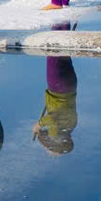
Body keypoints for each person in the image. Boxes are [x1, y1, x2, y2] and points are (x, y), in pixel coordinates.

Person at [32, 22, 78, 155]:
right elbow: (51, 119)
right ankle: (59, 20)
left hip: (69, 86)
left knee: (61, 53)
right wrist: (38, 125)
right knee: (53, 53)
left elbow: (53, 123)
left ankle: (62, 20)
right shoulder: (58, 132)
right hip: (58, 88)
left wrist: (41, 131)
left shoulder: (70, 126)